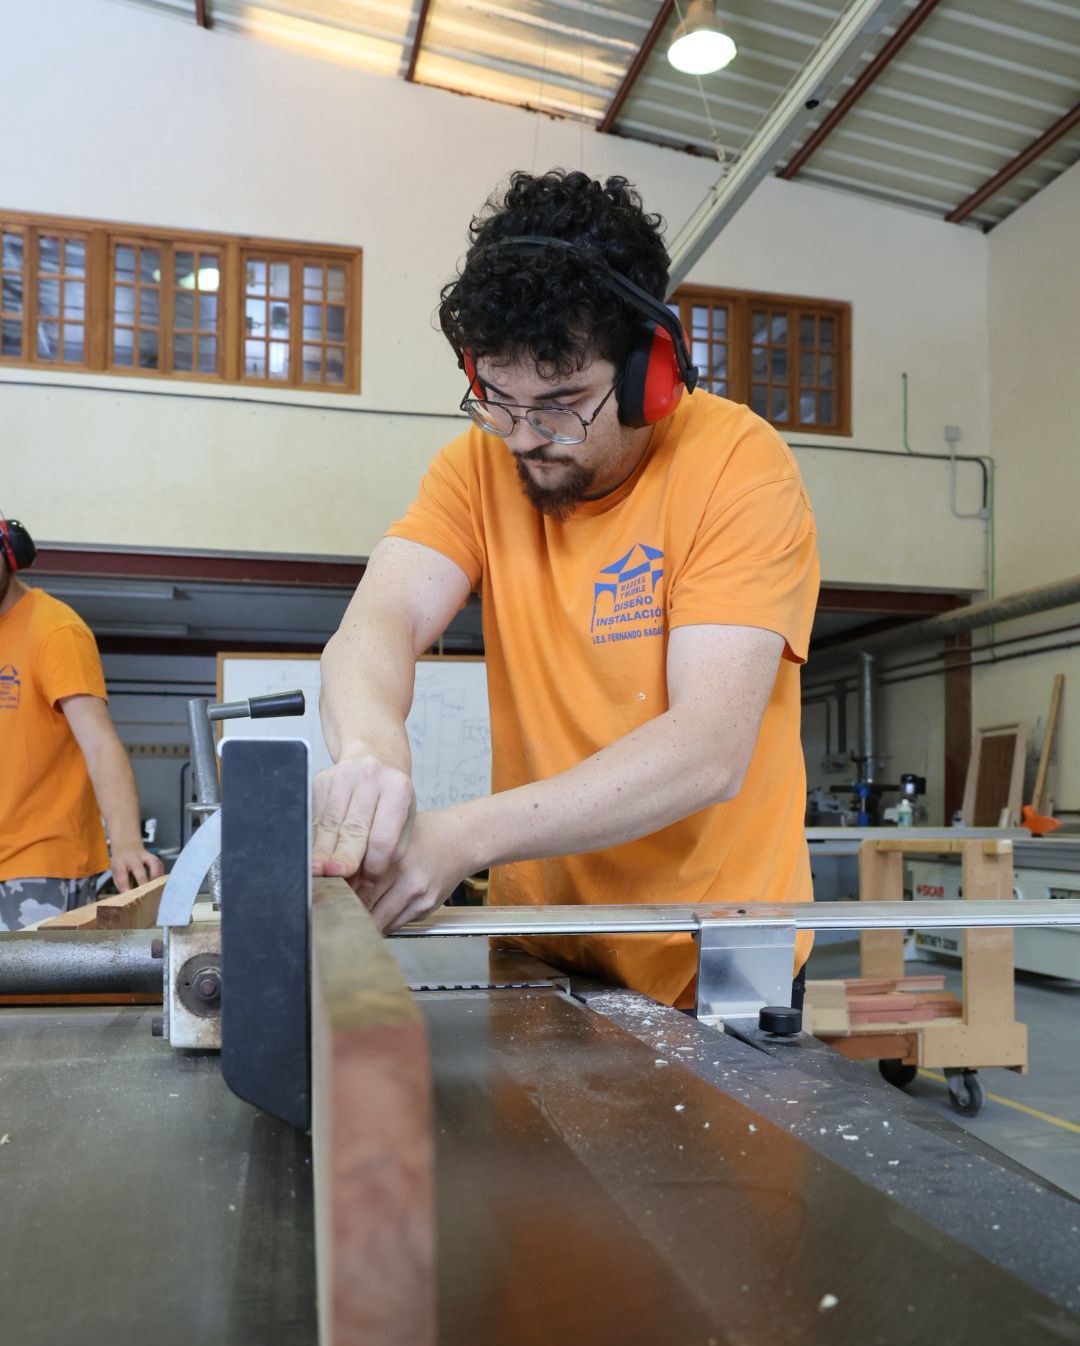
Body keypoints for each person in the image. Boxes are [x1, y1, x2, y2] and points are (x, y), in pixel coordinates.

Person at [314, 170, 819, 1008]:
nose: (526, 439)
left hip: (714, 948)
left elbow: (709, 747)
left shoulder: (739, 467)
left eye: (561, 405)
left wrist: (457, 837)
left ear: (645, 376)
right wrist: (373, 754)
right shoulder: (479, 467)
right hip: (543, 939)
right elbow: (381, 618)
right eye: (499, 402)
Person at [0, 514, 163, 930]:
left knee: (28, 996)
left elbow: (99, 743)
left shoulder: (54, 630)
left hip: (38, 866)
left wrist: (127, 844)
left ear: (9, 554)